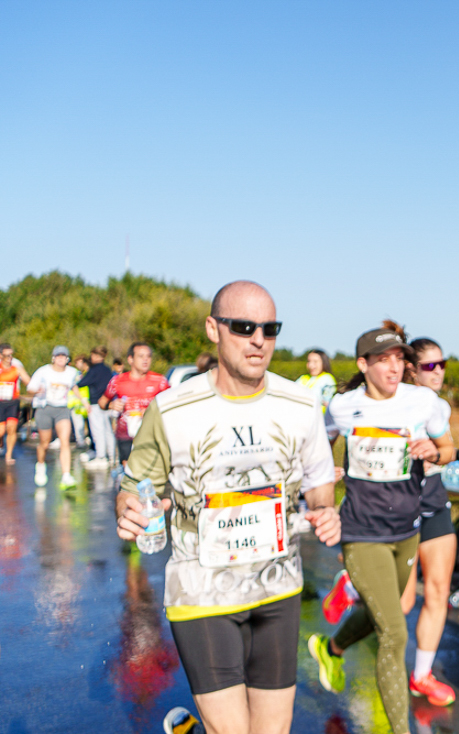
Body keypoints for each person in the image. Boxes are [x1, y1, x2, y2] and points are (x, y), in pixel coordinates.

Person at [114, 280, 340, 734]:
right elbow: (135, 484)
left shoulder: (301, 404)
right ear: (213, 329)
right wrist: (129, 508)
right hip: (202, 593)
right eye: (243, 327)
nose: (259, 340)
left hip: (278, 589)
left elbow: (319, 483)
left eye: (270, 329)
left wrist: (324, 511)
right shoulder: (172, 408)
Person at [308, 321, 454, 734]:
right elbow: (318, 450)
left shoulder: (422, 402)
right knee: (394, 634)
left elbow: (446, 448)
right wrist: (325, 478)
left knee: (385, 614)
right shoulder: (342, 406)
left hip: (406, 531)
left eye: (399, 360)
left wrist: (433, 451)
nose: (394, 368)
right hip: (361, 533)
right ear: (363, 364)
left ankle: (332, 647)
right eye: (384, 360)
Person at [398, 337, 459, 707]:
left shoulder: (440, 407)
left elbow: (445, 451)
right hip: (400, 507)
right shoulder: (395, 404)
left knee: (438, 592)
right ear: (411, 370)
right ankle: (346, 624)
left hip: (434, 502)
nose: (438, 372)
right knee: (403, 603)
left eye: (442, 364)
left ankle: (421, 675)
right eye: (429, 366)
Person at [99, 343, 170, 467]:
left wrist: (152, 411)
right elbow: (102, 402)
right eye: (141, 356)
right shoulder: (118, 381)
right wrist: (112, 405)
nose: (145, 360)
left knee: (148, 469)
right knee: (129, 470)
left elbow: (171, 403)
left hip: (151, 433)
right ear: (130, 359)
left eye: (148, 356)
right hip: (126, 434)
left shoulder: (159, 381)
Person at [27, 346, 82, 488]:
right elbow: (30, 387)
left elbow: (74, 386)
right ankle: (40, 465)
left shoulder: (72, 372)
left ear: (67, 359)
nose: (61, 359)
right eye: (58, 356)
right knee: (44, 443)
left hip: (62, 409)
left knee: (65, 442)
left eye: (64, 356)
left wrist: (83, 401)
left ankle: (66, 476)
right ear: (53, 358)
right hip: (45, 407)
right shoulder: (43, 371)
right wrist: (37, 390)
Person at [78, 346, 116, 468]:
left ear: (95, 355)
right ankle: (112, 457)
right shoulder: (107, 369)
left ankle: (101, 457)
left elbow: (81, 383)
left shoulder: (93, 370)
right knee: (108, 431)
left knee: (98, 431)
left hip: (95, 403)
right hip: (107, 403)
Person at [0, 344, 32, 466]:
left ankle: (8, 455)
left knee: (11, 428)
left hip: (13, 402)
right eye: (7, 355)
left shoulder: (17, 367)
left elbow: (28, 382)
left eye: (11, 355)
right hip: (0, 402)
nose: (10, 358)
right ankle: (1, 443)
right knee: (1, 431)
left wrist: (35, 389)